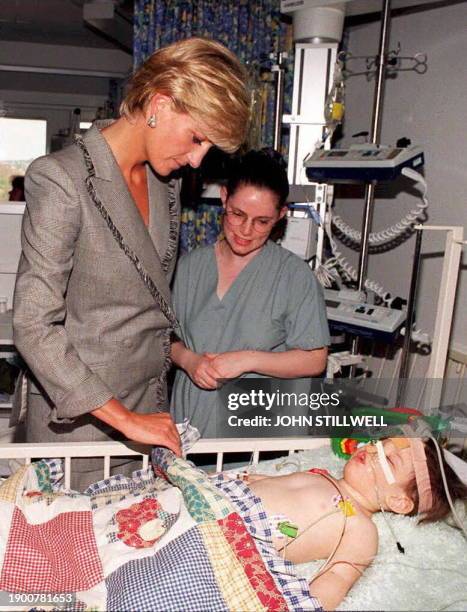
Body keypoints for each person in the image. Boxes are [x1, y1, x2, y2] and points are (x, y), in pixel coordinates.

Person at [12, 37, 250, 488]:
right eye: (197, 137)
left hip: (150, 413)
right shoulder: (62, 179)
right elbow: (33, 325)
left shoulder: (166, 183)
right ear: (159, 103)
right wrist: (124, 419)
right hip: (80, 425)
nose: (197, 158)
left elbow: (150, 306)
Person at [170, 149, 330, 436]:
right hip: (187, 425)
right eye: (237, 214)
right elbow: (164, 339)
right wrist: (188, 361)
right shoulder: (190, 268)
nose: (245, 230)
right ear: (224, 197)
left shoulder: (293, 277)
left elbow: (315, 359)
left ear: (281, 216)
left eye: (262, 221)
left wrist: (247, 359)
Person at [239, 437, 467, 611]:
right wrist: (244, 479)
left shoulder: (360, 529)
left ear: (398, 501)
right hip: (220, 499)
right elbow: (272, 484)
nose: (370, 450)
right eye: (378, 444)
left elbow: (337, 578)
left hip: (237, 538)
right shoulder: (321, 475)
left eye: (388, 459)